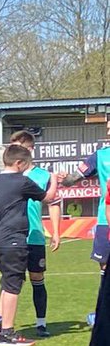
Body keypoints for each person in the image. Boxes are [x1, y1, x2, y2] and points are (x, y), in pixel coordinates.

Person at [0, 129, 61, 339]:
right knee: (12, 282)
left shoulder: (31, 176)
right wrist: (55, 179)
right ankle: (5, 329)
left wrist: (55, 231)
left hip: (28, 235)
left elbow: (53, 205)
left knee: (29, 278)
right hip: (14, 238)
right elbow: (49, 197)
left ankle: (37, 323)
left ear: (29, 150)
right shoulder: (19, 179)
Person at [60, 139, 110, 326]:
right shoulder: (101, 155)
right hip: (106, 219)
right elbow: (75, 177)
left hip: (107, 220)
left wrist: (65, 181)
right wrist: (64, 180)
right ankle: (103, 312)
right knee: (104, 267)